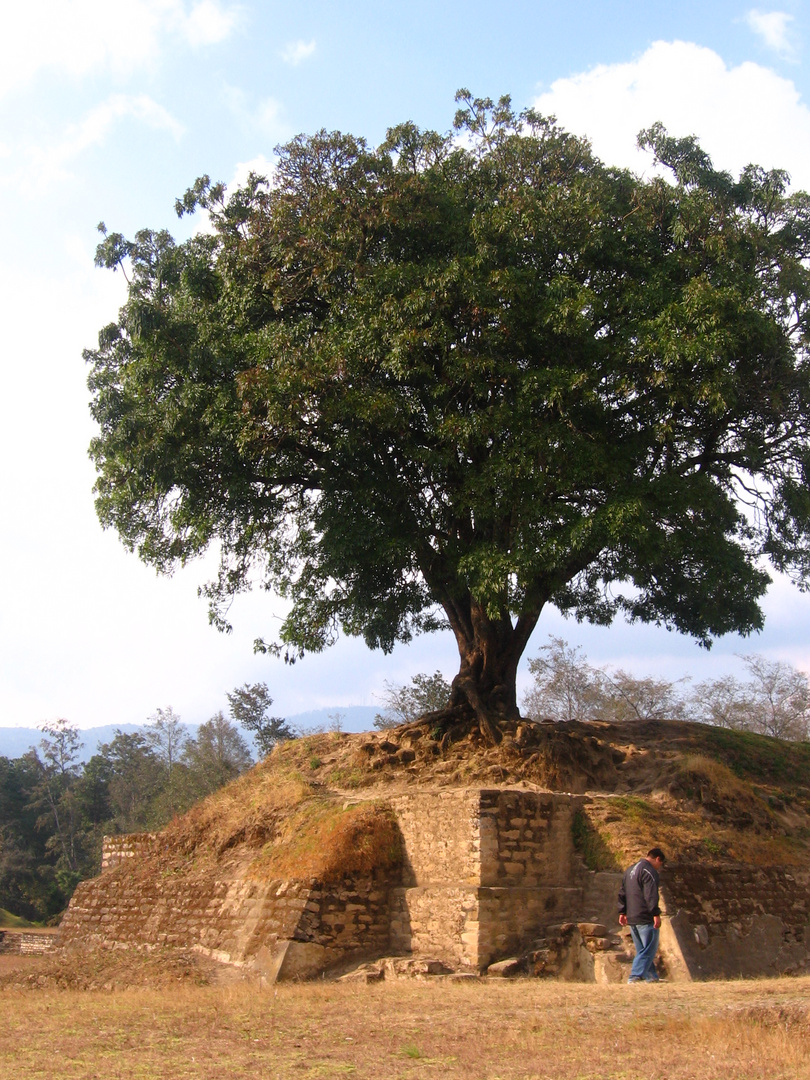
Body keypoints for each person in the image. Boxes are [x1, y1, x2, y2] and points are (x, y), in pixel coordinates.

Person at [618, 847, 666, 983]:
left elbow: (622, 892)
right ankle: (634, 976)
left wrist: (622, 911)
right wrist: (655, 913)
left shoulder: (629, 870)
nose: (659, 867)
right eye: (660, 864)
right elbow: (651, 894)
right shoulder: (648, 871)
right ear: (657, 859)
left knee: (642, 950)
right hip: (645, 916)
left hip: (632, 917)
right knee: (649, 948)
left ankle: (651, 977)